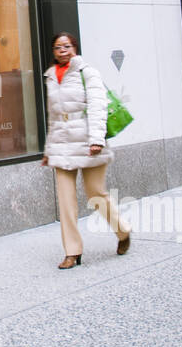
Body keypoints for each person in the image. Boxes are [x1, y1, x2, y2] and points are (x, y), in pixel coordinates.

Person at [42, 31, 130, 269]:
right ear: (53, 51)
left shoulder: (86, 72)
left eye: (67, 45)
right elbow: (53, 117)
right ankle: (72, 252)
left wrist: (96, 139)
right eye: (58, 46)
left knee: (95, 193)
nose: (63, 50)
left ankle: (122, 232)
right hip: (62, 145)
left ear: (74, 48)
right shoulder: (50, 76)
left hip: (89, 141)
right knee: (66, 200)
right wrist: (49, 149)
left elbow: (98, 106)